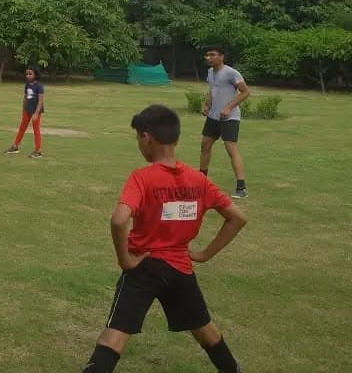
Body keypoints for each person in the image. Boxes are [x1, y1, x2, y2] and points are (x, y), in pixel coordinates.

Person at [80, 104, 247, 373]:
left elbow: (119, 219)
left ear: (146, 137)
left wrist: (125, 259)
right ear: (177, 139)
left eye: (138, 138)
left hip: (144, 267)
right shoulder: (198, 180)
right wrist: (204, 254)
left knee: (116, 333)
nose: (139, 145)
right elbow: (237, 217)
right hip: (180, 267)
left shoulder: (142, 178)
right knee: (205, 329)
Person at [199, 45, 251, 198]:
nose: (208, 57)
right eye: (207, 55)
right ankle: (201, 181)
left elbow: (246, 92)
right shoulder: (210, 72)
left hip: (230, 118)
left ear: (221, 56)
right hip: (213, 117)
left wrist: (228, 107)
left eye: (212, 55)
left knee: (231, 149)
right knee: (205, 144)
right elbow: (212, 90)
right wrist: (205, 103)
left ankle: (241, 188)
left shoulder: (230, 72)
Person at [5, 66, 44, 158]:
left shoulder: (39, 86)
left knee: (36, 130)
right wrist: (23, 108)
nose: (28, 75)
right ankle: (15, 146)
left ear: (35, 74)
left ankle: (38, 151)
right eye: (27, 74)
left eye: (30, 74)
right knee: (22, 128)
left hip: (35, 111)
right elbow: (25, 97)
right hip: (27, 110)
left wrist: (36, 113)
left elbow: (40, 101)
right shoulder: (27, 84)